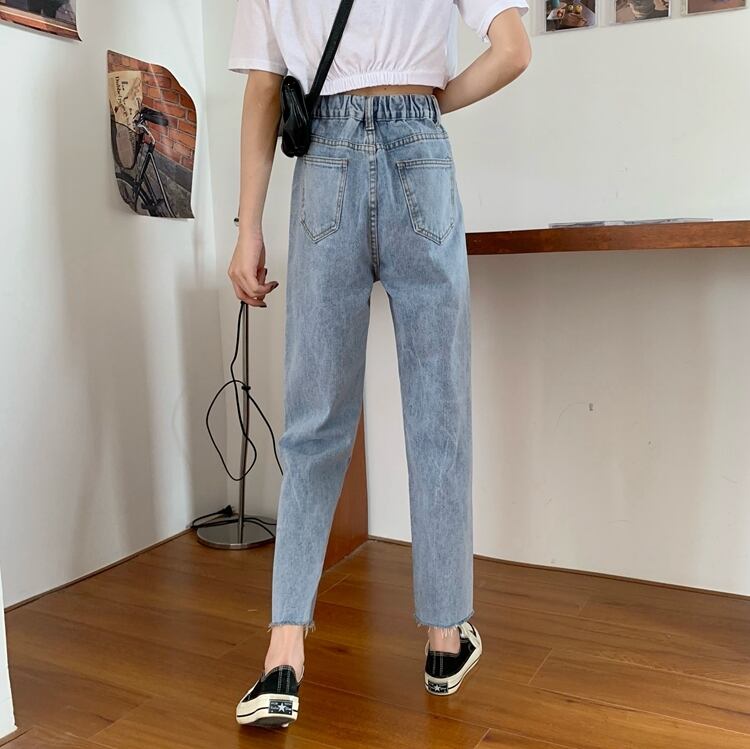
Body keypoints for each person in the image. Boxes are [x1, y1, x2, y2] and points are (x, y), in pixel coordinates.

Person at [226, 0, 531, 728]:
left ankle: (283, 651)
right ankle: (444, 639)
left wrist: (247, 230)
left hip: (325, 162)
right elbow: (514, 50)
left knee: (314, 423)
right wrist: (427, 104)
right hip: (417, 152)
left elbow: (264, 88)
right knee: (438, 413)